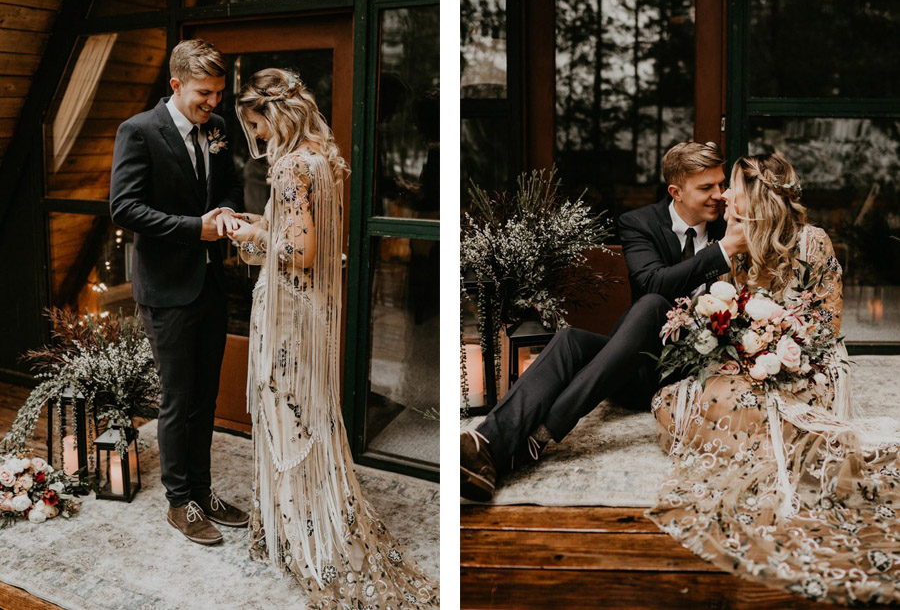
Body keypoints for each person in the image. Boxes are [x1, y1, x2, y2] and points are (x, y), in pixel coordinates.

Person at [226, 68, 439, 609]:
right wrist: (263, 222)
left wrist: (251, 233)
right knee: (308, 414)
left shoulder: (292, 166)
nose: (260, 138)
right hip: (309, 311)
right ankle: (305, 518)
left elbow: (299, 252)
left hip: (285, 313)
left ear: (275, 116)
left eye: (259, 126)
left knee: (287, 415)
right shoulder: (322, 156)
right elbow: (305, 236)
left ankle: (306, 535)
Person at [649, 153, 900, 605]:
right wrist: (740, 342)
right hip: (754, 358)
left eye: (734, 190)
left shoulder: (812, 242)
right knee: (672, 402)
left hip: (807, 362)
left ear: (758, 198)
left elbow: (826, 326)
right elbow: (731, 313)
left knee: (741, 406)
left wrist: (775, 346)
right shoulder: (735, 242)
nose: (724, 195)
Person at [461, 141, 749, 501]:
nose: (718, 196)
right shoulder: (640, 223)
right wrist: (720, 252)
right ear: (675, 191)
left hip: (689, 374)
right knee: (578, 337)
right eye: (706, 188)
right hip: (635, 367)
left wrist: (733, 232)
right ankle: (485, 444)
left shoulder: (732, 226)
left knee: (649, 306)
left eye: (721, 185)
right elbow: (652, 282)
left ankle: (537, 435)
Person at [110, 39, 248, 545]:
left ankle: (204, 490)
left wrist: (228, 214)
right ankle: (179, 502)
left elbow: (231, 188)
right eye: (203, 93)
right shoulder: (140, 132)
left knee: (206, 397)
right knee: (178, 397)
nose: (213, 102)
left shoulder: (217, 130)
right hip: (166, 288)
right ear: (176, 85)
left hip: (210, 282)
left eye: (218, 92)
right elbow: (124, 208)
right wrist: (197, 229)